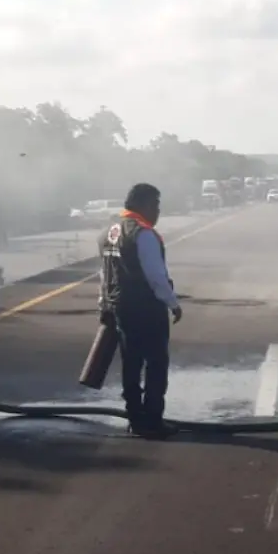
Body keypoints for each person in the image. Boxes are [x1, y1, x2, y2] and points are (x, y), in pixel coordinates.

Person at [107, 182, 182, 439]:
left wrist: (105, 304)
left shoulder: (112, 230)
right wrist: (173, 303)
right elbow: (156, 277)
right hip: (147, 308)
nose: (158, 210)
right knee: (156, 363)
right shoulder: (143, 233)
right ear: (143, 205)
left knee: (131, 363)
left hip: (122, 307)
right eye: (156, 204)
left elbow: (107, 273)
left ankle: (135, 418)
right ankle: (153, 419)